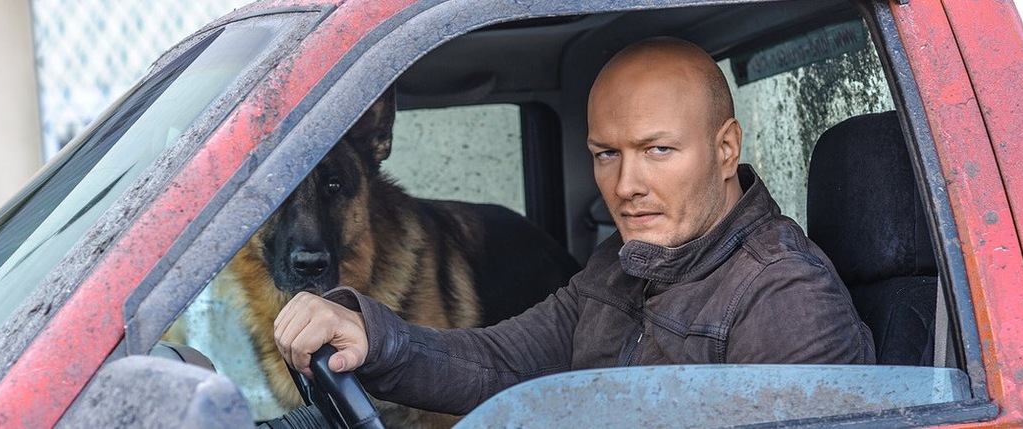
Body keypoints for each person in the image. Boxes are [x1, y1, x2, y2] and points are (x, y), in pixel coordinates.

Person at [273, 37, 874, 415]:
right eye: (607, 154)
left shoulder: (787, 297)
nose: (626, 185)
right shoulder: (624, 263)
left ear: (725, 148)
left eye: (658, 150)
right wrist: (372, 336)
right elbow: (503, 362)